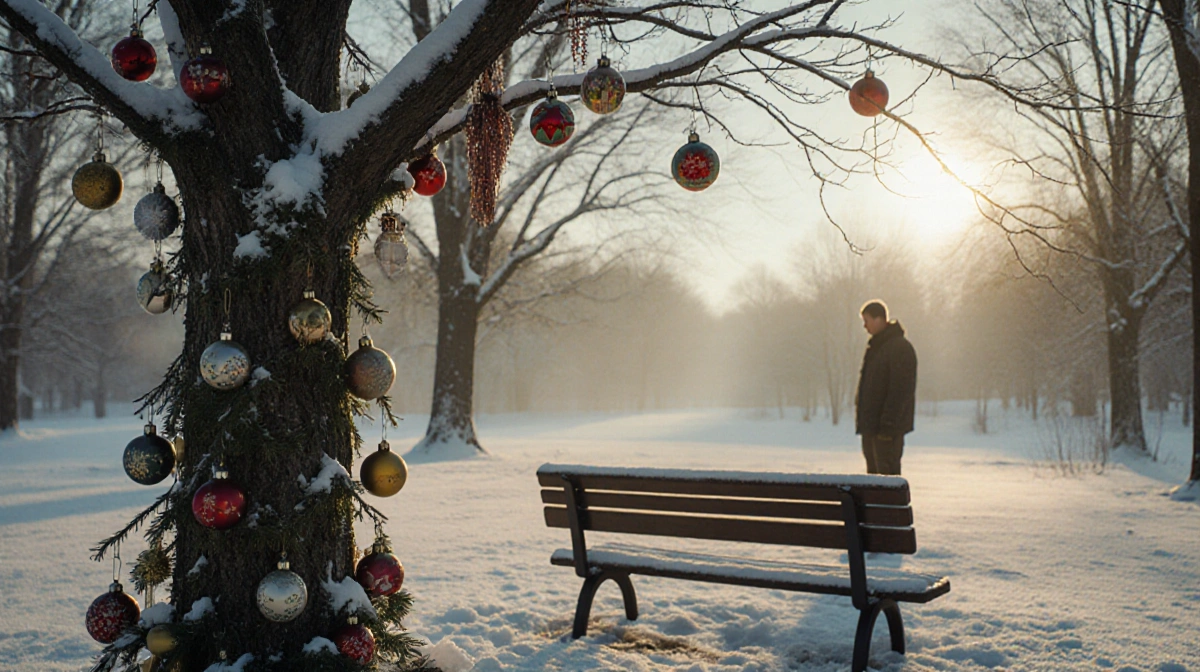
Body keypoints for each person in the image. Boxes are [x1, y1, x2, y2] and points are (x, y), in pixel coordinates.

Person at [855, 300, 917, 475]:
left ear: (879, 319)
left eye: (866, 320)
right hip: (872, 428)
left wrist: (888, 427)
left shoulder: (899, 348)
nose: (865, 326)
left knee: (887, 478)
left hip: (886, 431)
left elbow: (901, 390)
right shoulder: (877, 348)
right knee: (874, 480)